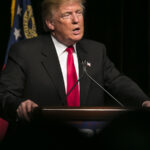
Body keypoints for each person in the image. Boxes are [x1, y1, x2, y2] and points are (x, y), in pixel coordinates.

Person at [0, 0, 150, 129]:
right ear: (50, 23)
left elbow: (118, 82)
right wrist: (19, 105)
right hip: (43, 139)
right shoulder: (25, 52)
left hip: (89, 139)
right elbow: (5, 95)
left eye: (79, 12)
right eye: (67, 14)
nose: (76, 20)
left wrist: (143, 101)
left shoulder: (96, 50)